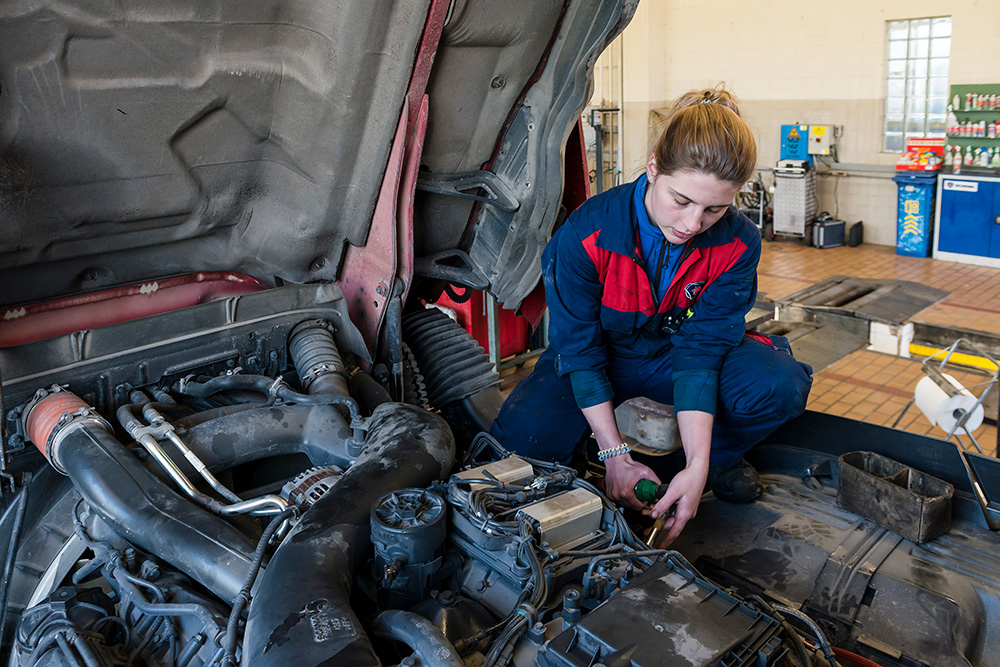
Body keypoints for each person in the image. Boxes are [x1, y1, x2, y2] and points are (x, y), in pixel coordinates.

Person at [491, 86, 813, 546]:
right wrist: (615, 455)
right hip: (600, 356)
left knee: (777, 382)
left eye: (715, 209)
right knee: (519, 449)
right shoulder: (587, 233)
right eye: (681, 200)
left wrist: (697, 466)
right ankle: (601, 454)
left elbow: (702, 351)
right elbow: (579, 352)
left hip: (672, 357)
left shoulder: (738, 242)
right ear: (653, 168)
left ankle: (704, 467)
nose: (692, 224)